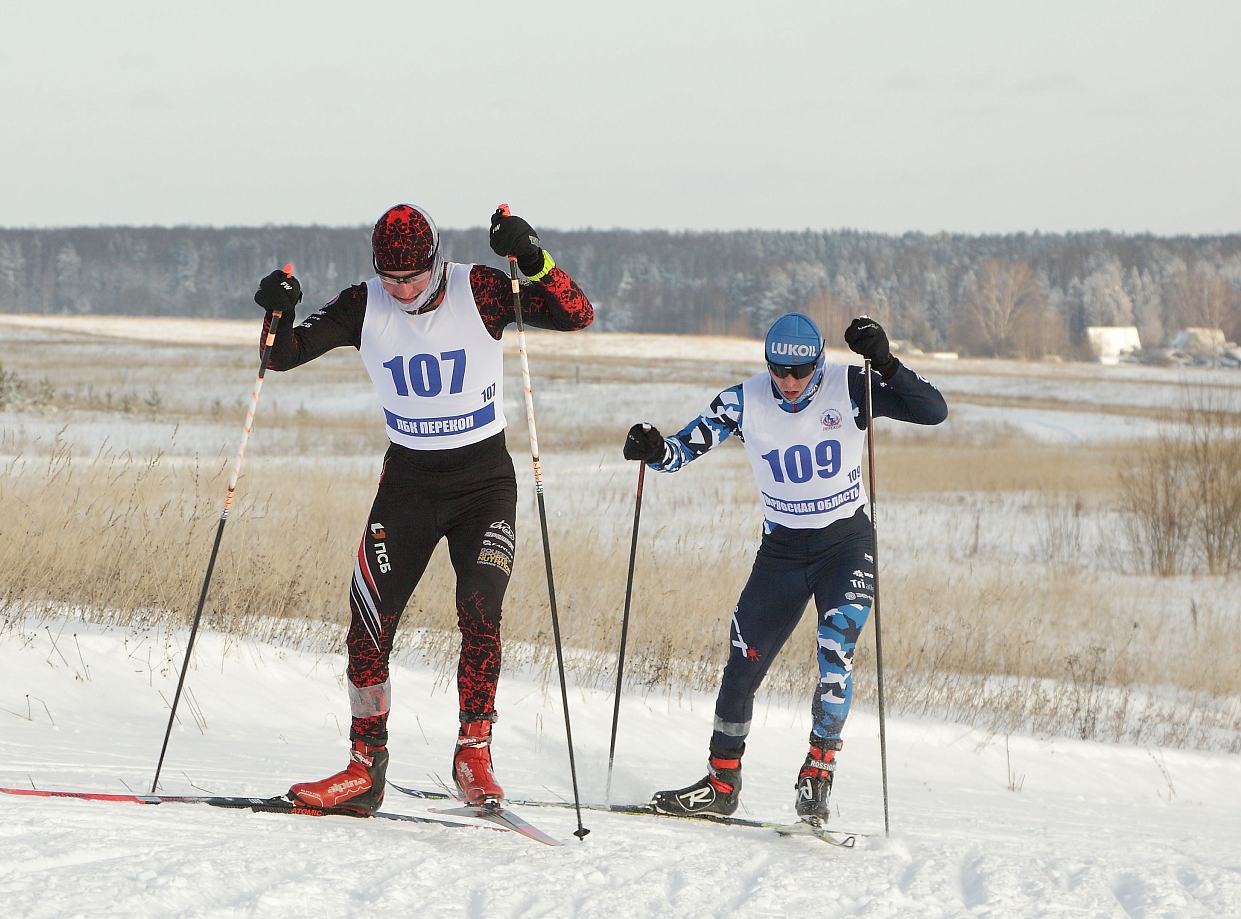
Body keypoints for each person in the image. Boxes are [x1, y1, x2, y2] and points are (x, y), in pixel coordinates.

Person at [253, 204, 594, 814]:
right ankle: (364, 768)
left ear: (436, 262)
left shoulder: (481, 289)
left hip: (482, 482)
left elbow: (577, 315)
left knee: (479, 608)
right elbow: (280, 356)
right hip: (408, 483)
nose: (402, 291)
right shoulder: (364, 303)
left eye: (412, 278)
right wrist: (278, 308)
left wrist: (534, 256)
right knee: (367, 623)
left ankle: (473, 753)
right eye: (391, 277)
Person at [623, 312, 946, 823]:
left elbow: (933, 411)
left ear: (818, 362)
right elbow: (680, 451)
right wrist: (653, 447)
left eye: (800, 371)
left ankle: (817, 774)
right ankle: (721, 782)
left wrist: (886, 362)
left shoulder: (849, 385)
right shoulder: (743, 399)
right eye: (779, 370)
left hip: (845, 545)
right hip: (783, 553)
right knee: (743, 659)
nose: (790, 382)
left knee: (835, 651)